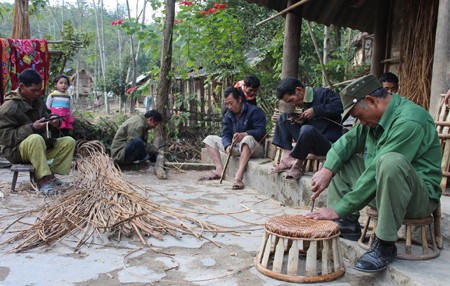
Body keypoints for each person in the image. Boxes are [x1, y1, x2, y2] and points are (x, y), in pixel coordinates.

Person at [305, 74, 442, 273]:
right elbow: (346, 143)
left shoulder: (410, 120)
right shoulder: (372, 121)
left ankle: (384, 244)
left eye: (359, 115)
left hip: (416, 199)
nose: (359, 121)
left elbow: (378, 168)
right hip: (383, 191)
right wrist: (327, 169)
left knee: (390, 161)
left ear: (370, 101)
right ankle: (348, 224)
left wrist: (339, 208)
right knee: (342, 160)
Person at [0, 69, 76, 195]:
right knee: (35, 138)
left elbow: (46, 114)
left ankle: (51, 176)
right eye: (33, 90)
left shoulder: (37, 100)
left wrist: (52, 119)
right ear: (22, 87)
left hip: (39, 145)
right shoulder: (9, 107)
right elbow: (3, 137)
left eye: (39, 90)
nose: (37, 94)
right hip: (15, 151)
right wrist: (32, 127)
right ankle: (41, 181)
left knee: (68, 141)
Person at [270, 77, 343, 180]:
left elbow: (340, 106)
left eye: (291, 100)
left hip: (328, 144)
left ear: (299, 90)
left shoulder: (323, 93)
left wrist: (316, 110)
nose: (293, 104)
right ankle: (287, 159)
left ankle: (297, 166)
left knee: (307, 129)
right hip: (309, 142)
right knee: (283, 118)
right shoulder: (305, 102)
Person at [200, 87, 266, 190]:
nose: (229, 106)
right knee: (209, 139)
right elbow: (226, 134)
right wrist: (227, 146)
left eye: (231, 103)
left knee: (247, 139)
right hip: (235, 147)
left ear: (239, 99)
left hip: (254, 148)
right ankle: (219, 170)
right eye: (227, 104)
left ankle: (238, 178)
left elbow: (262, 132)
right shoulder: (228, 114)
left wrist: (244, 134)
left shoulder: (254, 111)